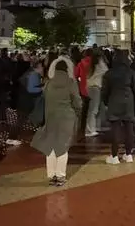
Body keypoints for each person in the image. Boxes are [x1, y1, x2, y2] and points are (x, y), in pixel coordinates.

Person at [31, 56, 82, 186]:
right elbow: (77, 102)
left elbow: (45, 98)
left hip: (51, 116)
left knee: (51, 146)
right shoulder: (71, 82)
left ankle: (52, 174)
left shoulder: (49, 82)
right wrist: (77, 112)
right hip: (67, 117)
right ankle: (61, 175)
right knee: (63, 146)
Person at [103, 51, 135, 164]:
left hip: (114, 101)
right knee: (129, 129)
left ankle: (114, 156)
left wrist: (106, 102)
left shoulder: (109, 73)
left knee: (115, 129)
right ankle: (128, 155)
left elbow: (104, 91)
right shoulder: (131, 72)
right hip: (128, 102)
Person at [84, 51, 109, 137]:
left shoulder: (90, 65)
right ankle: (89, 130)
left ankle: (95, 127)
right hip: (95, 88)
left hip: (90, 87)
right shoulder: (100, 64)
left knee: (95, 108)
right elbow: (107, 71)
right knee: (93, 110)